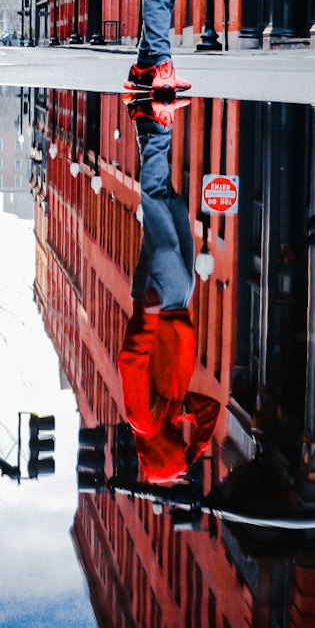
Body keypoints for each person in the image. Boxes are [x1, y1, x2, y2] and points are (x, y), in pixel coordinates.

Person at [116, 94, 221, 484]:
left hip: (160, 300)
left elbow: (130, 362)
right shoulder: (173, 412)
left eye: (178, 452)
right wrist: (193, 453)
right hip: (181, 300)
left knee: (156, 197)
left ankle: (155, 117)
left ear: (164, 452)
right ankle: (146, 121)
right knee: (174, 203)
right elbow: (210, 410)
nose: (182, 443)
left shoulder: (143, 419)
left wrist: (147, 315)